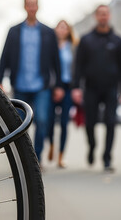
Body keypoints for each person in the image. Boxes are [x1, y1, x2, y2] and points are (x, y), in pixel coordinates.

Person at [0, 0, 64, 164]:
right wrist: (0, 80)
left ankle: (37, 158)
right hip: (20, 84)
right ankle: (22, 159)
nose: (31, 8)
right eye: (29, 4)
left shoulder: (48, 32)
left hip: (42, 85)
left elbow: (56, 61)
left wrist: (58, 86)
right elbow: (4, 57)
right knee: (19, 124)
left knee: (42, 120)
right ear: (25, 7)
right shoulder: (14, 31)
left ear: (38, 7)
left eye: (34, 4)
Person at [71, 5, 121, 172]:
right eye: (100, 14)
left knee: (111, 122)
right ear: (96, 17)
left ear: (109, 16)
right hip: (91, 88)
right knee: (90, 123)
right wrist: (76, 87)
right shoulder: (86, 40)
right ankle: (92, 146)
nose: (103, 17)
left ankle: (107, 158)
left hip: (111, 88)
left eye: (105, 14)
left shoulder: (118, 41)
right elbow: (79, 66)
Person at [47, 20, 78, 168]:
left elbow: (77, 68)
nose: (62, 30)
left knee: (65, 122)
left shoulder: (73, 48)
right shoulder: (51, 47)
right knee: (50, 121)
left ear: (68, 30)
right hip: (53, 87)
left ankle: (61, 156)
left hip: (68, 87)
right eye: (59, 27)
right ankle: (51, 144)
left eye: (65, 27)